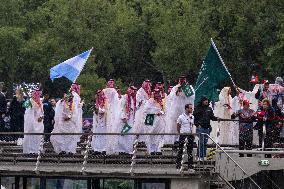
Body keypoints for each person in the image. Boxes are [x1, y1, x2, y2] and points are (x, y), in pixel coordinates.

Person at [164, 76, 195, 145]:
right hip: (176, 110)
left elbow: (192, 96)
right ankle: (175, 140)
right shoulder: (175, 88)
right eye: (181, 80)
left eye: (183, 79)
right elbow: (171, 97)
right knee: (175, 125)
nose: (182, 81)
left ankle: (187, 139)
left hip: (185, 110)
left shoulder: (189, 87)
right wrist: (177, 91)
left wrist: (185, 91)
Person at [50, 88, 82, 155]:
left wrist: (70, 117)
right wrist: (63, 117)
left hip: (71, 123)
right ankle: (62, 150)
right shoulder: (61, 103)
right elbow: (58, 112)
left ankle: (70, 150)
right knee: (62, 137)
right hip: (62, 123)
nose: (67, 97)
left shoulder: (73, 104)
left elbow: (75, 113)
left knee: (70, 137)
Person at [193, 96, 219, 160]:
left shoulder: (209, 109)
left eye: (207, 100)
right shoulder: (197, 108)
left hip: (207, 128)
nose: (206, 101)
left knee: (205, 142)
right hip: (200, 128)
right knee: (201, 142)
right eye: (205, 100)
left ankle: (203, 156)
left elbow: (212, 117)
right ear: (202, 101)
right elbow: (194, 118)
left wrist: (217, 118)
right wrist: (197, 125)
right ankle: (200, 156)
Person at [115, 86, 137, 154]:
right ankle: (121, 150)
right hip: (125, 118)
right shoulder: (125, 97)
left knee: (129, 134)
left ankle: (128, 150)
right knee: (123, 134)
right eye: (133, 90)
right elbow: (121, 107)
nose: (134, 92)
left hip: (131, 118)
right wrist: (123, 116)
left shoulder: (133, 98)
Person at [144, 89, 166, 155]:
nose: (157, 95)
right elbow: (146, 110)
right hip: (151, 118)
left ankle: (158, 149)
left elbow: (164, 110)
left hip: (159, 120)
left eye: (158, 93)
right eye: (156, 93)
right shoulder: (149, 101)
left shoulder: (161, 102)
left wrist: (161, 112)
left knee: (159, 134)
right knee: (150, 134)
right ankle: (151, 150)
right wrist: (156, 112)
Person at [23, 89, 44, 154]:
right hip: (31, 123)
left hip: (39, 123)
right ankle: (30, 151)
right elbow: (27, 111)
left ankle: (37, 150)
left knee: (38, 137)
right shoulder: (29, 101)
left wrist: (41, 117)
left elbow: (42, 112)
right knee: (30, 137)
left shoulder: (40, 102)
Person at [176, 104, 195, 172]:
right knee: (180, 150)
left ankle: (190, 165)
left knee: (190, 151)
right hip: (183, 135)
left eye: (191, 108)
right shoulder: (181, 117)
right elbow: (178, 125)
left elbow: (192, 125)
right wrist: (180, 133)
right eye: (190, 108)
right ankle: (178, 164)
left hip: (190, 135)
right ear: (186, 109)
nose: (191, 109)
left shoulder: (192, 117)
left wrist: (193, 134)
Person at [91, 90, 108, 154]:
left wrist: (100, 110)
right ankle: (97, 149)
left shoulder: (106, 102)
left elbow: (106, 111)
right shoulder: (96, 104)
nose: (99, 96)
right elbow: (95, 113)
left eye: (100, 94)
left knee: (104, 135)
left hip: (104, 122)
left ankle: (104, 149)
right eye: (98, 94)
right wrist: (97, 111)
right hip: (98, 122)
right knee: (97, 135)